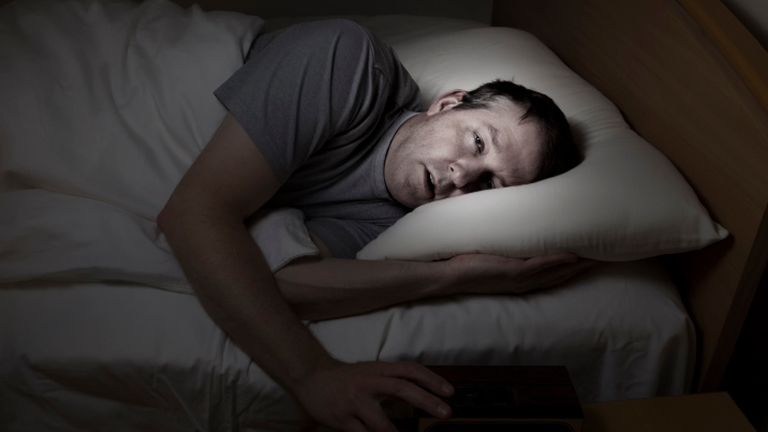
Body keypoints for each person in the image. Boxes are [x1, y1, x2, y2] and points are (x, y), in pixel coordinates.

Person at [157, 19, 592, 432]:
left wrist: (456, 275)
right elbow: (194, 211)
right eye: (477, 141)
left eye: (490, 183)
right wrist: (312, 373)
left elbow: (282, 283)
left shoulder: (400, 223)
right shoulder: (348, 63)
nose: (462, 175)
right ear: (447, 104)